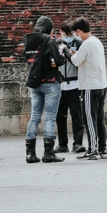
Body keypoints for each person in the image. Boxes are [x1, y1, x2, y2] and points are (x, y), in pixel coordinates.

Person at [23, 15, 69, 163]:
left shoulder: (29, 40)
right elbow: (58, 61)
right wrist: (62, 53)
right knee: (49, 116)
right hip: (50, 82)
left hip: (35, 83)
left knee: (35, 115)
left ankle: (30, 153)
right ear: (49, 28)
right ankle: (48, 153)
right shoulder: (48, 41)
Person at [70, 17, 107, 160]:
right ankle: (103, 148)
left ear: (79, 31)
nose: (75, 35)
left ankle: (93, 149)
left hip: (90, 87)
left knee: (89, 119)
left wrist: (68, 54)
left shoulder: (86, 44)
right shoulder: (97, 42)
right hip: (101, 84)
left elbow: (75, 61)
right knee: (99, 119)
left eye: (75, 32)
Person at [54, 20, 85, 154]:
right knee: (60, 116)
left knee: (76, 115)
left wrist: (72, 55)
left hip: (75, 83)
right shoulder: (55, 44)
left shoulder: (80, 44)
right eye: (65, 33)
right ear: (60, 32)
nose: (67, 36)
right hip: (60, 84)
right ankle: (62, 144)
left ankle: (77, 143)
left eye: (70, 33)